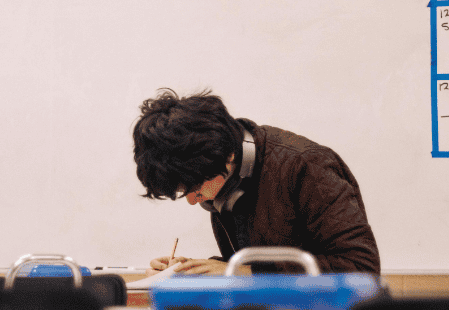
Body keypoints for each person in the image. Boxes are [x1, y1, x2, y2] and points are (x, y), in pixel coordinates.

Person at [132, 89, 380, 276]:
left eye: (194, 188)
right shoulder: (226, 182)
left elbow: (361, 268)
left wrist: (243, 273)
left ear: (228, 157)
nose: (191, 200)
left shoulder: (306, 165)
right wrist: (195, 271)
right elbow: (259, 264)